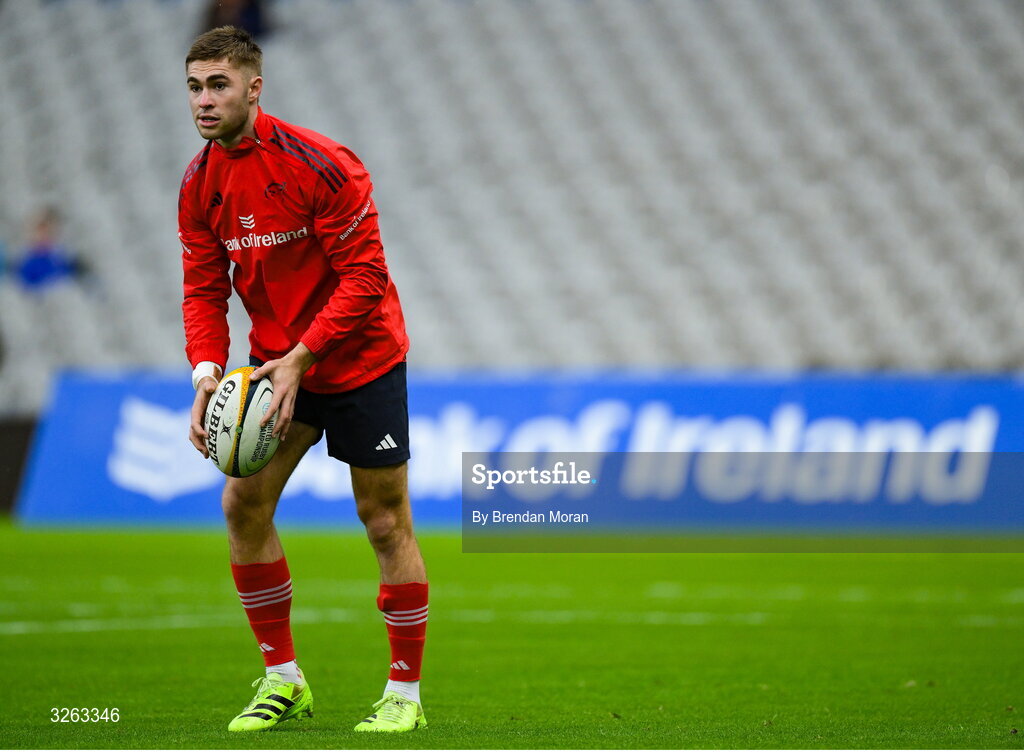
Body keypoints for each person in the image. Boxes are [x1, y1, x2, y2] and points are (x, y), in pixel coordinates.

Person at [178, 26, 427, 734]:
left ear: (254, 87)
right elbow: (202, 288)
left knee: (383, 519)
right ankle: (283, 680)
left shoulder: (321, 164)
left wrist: (303, 356)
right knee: (241, 507)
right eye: (195, 85)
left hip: (359, 357)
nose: (204, 99)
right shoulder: (199, 184)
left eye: (218, 84)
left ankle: (404, 694)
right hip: (274, 367)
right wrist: (206, 372)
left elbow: (367, 277)